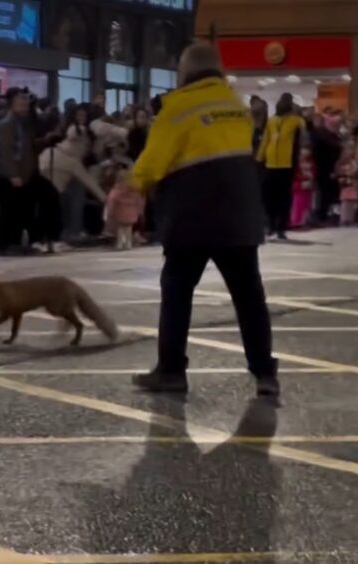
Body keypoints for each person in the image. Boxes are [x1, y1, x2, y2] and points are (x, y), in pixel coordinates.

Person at [129, 43, 279, 398]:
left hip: (191, 216)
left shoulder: (178, 108)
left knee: (178, 293)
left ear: (186, 71)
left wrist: (131, 186)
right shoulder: (237, 108)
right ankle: (265, 374)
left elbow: (154, 162)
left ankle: (171, 372)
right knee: (249, 297)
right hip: (240, 216)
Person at [0, 88, 38, 253]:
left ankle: (14, 241)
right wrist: (13, 174)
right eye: (20, 102)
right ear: (12, 104)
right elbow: (5, 150)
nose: (24, 105)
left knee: (17, 210)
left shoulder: (21, 123)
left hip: (20, 174)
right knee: (8, 211)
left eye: (26, 102)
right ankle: (6, 243)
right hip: (7, 175)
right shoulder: (8, 123)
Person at [257, 92, 305, 239]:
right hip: (270, 163)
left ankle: (281, 227)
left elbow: (304, 136)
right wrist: (259, 157)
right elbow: (266, 139)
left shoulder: (296, 121)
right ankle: (270, 224)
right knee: (269, 196)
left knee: (284, 198)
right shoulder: (272, 121)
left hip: (287, 164)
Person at [312, 109, 342, 222]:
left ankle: (326, 214)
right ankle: (321, 215)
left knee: (329, 191)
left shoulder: (333, 135)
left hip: (331, 166)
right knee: (324, 191)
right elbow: (321, 152)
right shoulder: (321, 135)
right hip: (324, 166)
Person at [106, 169, 144, 250]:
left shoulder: (116, 190)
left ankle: (120, 243)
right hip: (131, 212)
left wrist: (110, 212)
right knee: (128, 228)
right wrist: (139, 211)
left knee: (120, 228)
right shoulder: (135, 190)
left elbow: (111, 200)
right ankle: (128, 243)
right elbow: (139, 201)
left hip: (120, 211)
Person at [290, 144, 316, 228]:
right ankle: (295, 222)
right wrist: (300, 184)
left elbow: (313, 173)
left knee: (307, 204)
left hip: (307, 187)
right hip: (298, 188)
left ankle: (304, 221)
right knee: (297, 204)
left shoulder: (311, 163)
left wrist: (310, 178)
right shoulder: (295, 164)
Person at [336, 140, 358, 226]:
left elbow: (356, 171)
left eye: (352, 148)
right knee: (345, 203)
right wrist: (343, 176)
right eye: (349, 148)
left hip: (352, 184)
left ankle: (351, 219)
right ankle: (343, 219)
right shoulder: (342, 161)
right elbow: (339, 171)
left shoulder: (354, 161)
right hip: (345, 184)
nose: (350, 151)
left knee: (352, 203)